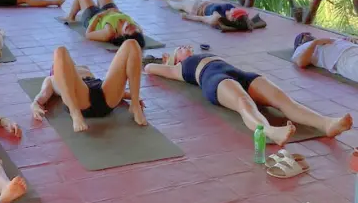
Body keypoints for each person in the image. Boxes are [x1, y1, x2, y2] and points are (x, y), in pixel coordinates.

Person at [144, 48, 352, 146]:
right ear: (174, 59)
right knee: (243, 102)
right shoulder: (180, 69)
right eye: (178, 49)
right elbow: (150, 68)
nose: (184, 47)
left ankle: (326, 123)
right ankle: (269, 131)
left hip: (241, 74)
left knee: (282, 99)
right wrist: (167, 62)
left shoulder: (204, 53)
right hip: (213, 79)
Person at [31, 40, 147, 132]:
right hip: (79, 101)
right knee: (59, 51)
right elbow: (42, 96)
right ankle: (75, 114)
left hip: (103, 95)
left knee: (131, 44)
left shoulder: (83, 69)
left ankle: (135, 107)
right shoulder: (52, 79)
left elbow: (118, 91)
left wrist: (133, 96)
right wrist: (35, 105)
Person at [64, 0, 145, 47]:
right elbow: (140, 30)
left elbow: (88, 35)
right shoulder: (136, 30)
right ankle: (95, 6)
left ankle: (70, 17)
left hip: (93, 17)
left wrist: (100, 15)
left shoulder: (109, 32)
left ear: (122, 35)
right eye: (132, 25)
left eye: (128, 27)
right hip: (111, 11)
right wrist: (117, 12)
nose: (129, 23)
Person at [292, 32, 358, 82]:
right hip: (341, 58)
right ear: (299, 43)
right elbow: (301, 62)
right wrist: (315, 43)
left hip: (353, 49)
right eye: (303, 36)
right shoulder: (301, 48)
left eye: (308, 34)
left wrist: (350, 39)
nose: (308, 35)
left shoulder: (324, 39)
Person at [165, 0, 259, 32]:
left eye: (233, 12)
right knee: (185, 0)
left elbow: (202, 19)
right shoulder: (231, 9)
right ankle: (169, 1)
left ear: (231, 18)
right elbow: (245, 20)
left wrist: (187, 16)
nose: (232, 9)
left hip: (197, 8)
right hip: (206, 3)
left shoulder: (217, 17)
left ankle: (169, 2)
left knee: (181, 4)